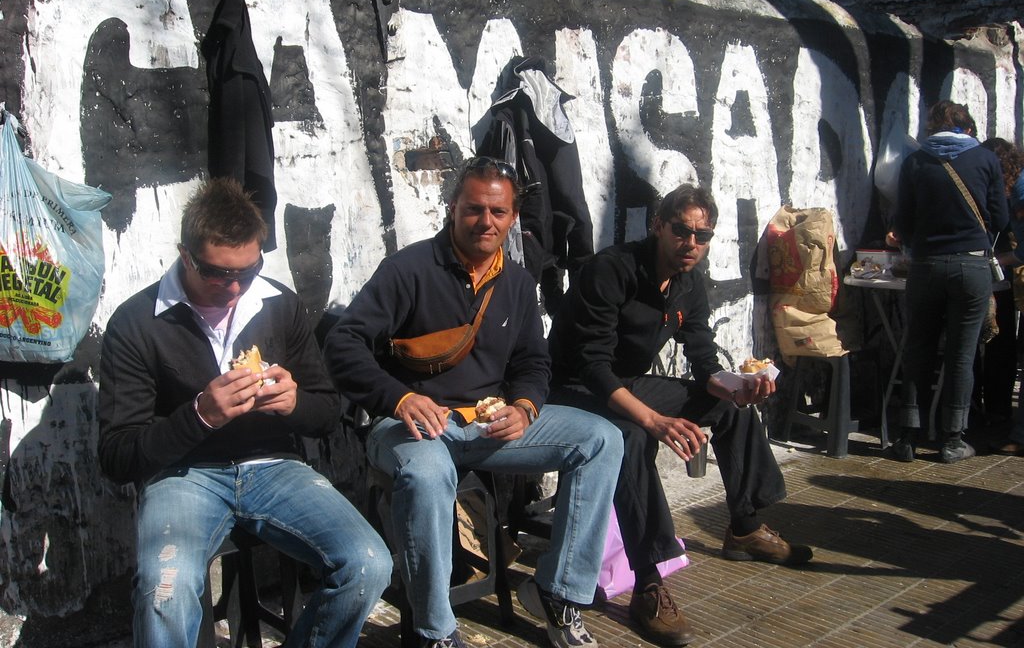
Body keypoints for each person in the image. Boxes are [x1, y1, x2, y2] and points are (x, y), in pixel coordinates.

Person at [322, 156, 623, 648]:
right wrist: (399, 399)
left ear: (513, 217)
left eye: (499, 212)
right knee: (426, 473)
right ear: (452, 209)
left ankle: (558, 592)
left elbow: (533, 363)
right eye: (474, 210)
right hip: (409, 429)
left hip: (487, 427)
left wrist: (524, 407)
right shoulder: (408, 270)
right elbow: (344, 345)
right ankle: (433, 631)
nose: (486, 222)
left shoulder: (520, 285)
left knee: (600, 439)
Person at [98, 178, 391, 648]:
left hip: (274, 467)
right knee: (163, 592)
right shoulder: (137, 323)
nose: (233, 288)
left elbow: (326, 412)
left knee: (368, 563)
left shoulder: (279, 305)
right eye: (217, 273)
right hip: (183, 474)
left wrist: (295, 404)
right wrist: (199, 416)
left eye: (248, 270)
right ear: (185, 254)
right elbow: (117, 456)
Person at [547, 183, 811, 648]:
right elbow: (591, 366)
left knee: (731, 410)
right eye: (681, 231)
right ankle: (648, 583)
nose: (692, 244)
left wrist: (736, 386)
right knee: (628, 436)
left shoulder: (689, 283)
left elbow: (703, 358)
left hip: (624, 384)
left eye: (702, 235)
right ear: (657, 226)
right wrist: (654, 420)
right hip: (570, 390)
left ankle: (745, 528)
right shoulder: (613, 270)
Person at [887, 100, 1008, 463]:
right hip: (971, 269)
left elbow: (902, 222)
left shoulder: (915, 162)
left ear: (931, 128)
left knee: (917, 348)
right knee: (961, 354)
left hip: (925, 267)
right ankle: (952, 439)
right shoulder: (986, 160)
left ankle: (907, 437)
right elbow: (1001, 219)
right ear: (966, 127)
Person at [977, 139, 1024, 426]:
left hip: (1003, 274)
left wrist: (1001, 260)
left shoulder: (1017, 193)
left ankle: (1001, 418)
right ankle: (999, 412)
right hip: (1003, 277)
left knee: (1002, 343)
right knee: (1004, 344)